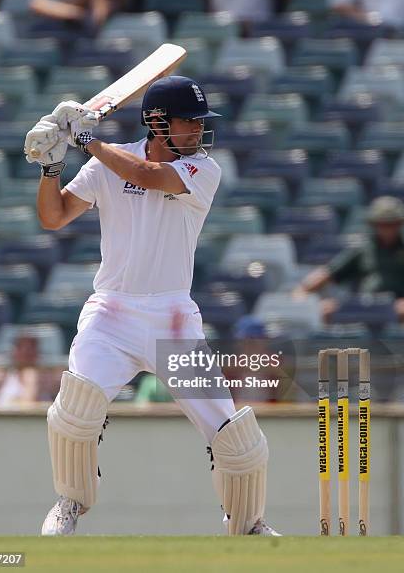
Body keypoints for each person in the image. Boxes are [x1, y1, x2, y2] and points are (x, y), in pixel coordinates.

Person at [24, 76, 280, 537]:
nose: (199, 132)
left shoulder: (202, 169)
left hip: (174, 319)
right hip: (111, 314)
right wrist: (51, 166)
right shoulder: (106, 164)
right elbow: (53, 216)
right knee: (75, 411)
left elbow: (143, 175)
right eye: (191, 122)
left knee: (236, 441)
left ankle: (249, 527)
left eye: (201, 123)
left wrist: (84, 138)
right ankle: (71, 502)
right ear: (159, 123)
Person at [294, 196, 404, 322]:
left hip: (397, 305)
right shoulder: (363, 249)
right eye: (382, 224)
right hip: (362, 304)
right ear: (374, 224)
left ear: (400, 224)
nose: (387, 229)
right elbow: (328, 273)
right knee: (326, 310)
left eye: (392, 224)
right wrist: (303, 291)